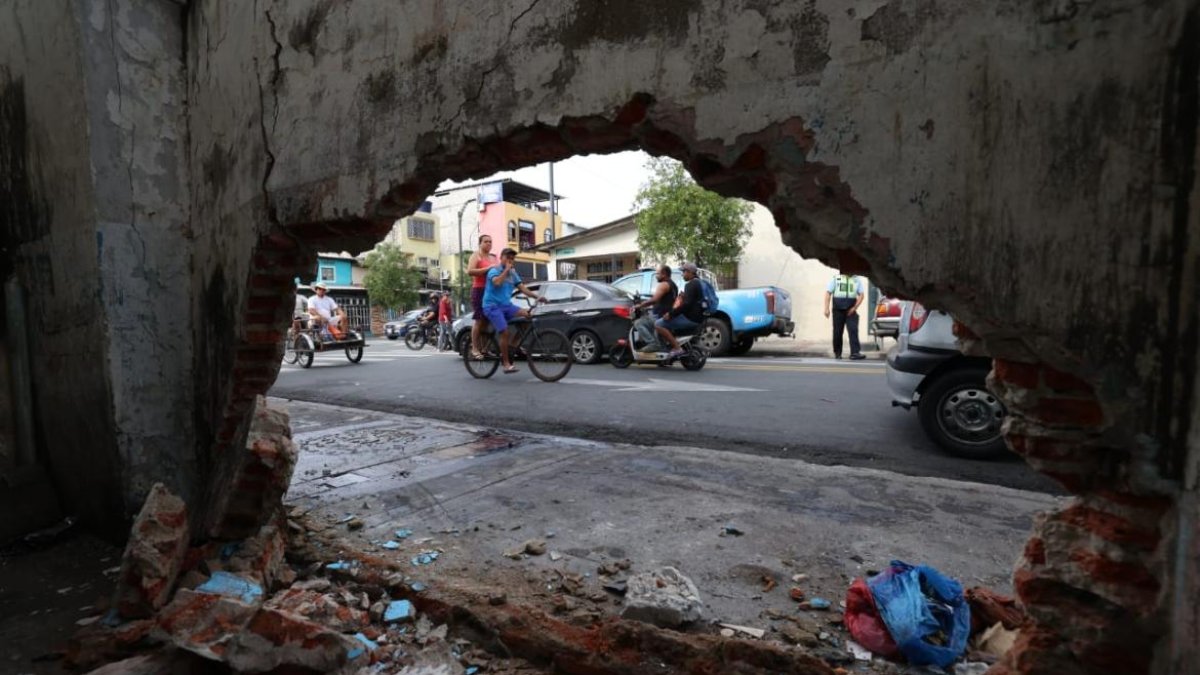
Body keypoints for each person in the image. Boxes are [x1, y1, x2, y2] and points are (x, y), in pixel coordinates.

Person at [482, 248, 544, 374]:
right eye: (508, 258)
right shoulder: (494, 271)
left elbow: (523, 288)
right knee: (504, 332)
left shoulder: (513, 274)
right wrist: (506, 270)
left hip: (506, 306)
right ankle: (506, 364)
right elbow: (497, 282)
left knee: (528, 316)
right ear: (501, 258)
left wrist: (537, 297)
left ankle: (513, 346)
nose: (510, 261)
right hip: (492, 306)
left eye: (512, 259)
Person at [655, 262, 705, 358]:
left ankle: (677, 348)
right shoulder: (698, 283)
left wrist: (671, 314)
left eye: (684, 272)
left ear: (690, 272)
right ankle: (670, 346)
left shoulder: (690, 284)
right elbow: (692, 301)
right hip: (698, 317)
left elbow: (686, 305)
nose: (682, 274)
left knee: (658, 324)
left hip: (691, 318)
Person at [466, 234, 498, 359]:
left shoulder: (493, 257)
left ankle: (484, 348)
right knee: (479, 320)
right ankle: (474, 348)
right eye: (486, 241)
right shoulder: (476, 255)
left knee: (488, 321)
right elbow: (470, 271)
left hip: (491, 291)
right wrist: (488, 268)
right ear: (480, 243)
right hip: (479, 290)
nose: (489, 243)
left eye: (490, 241)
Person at [633, 265, 676, 352]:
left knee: (638, 323)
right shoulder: (673, 285)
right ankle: (662, 349)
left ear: (664, 274)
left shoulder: (663, 284)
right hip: (665, 314)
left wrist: (640, 305)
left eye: (658, 274)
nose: (656, 276)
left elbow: (654, 299)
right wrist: (649, 306)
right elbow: (664, 301)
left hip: (659, 316)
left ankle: (652, 343)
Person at [823, 271, 865, 360]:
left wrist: (854, 308)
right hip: (838, 309)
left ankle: (855, 353)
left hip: (851, 309)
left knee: (853, 330)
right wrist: (826, 308)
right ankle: (837, 353)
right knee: (837, 332)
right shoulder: (836, 278)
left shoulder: (856, 279)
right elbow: (828, 293)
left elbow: (861, 295)